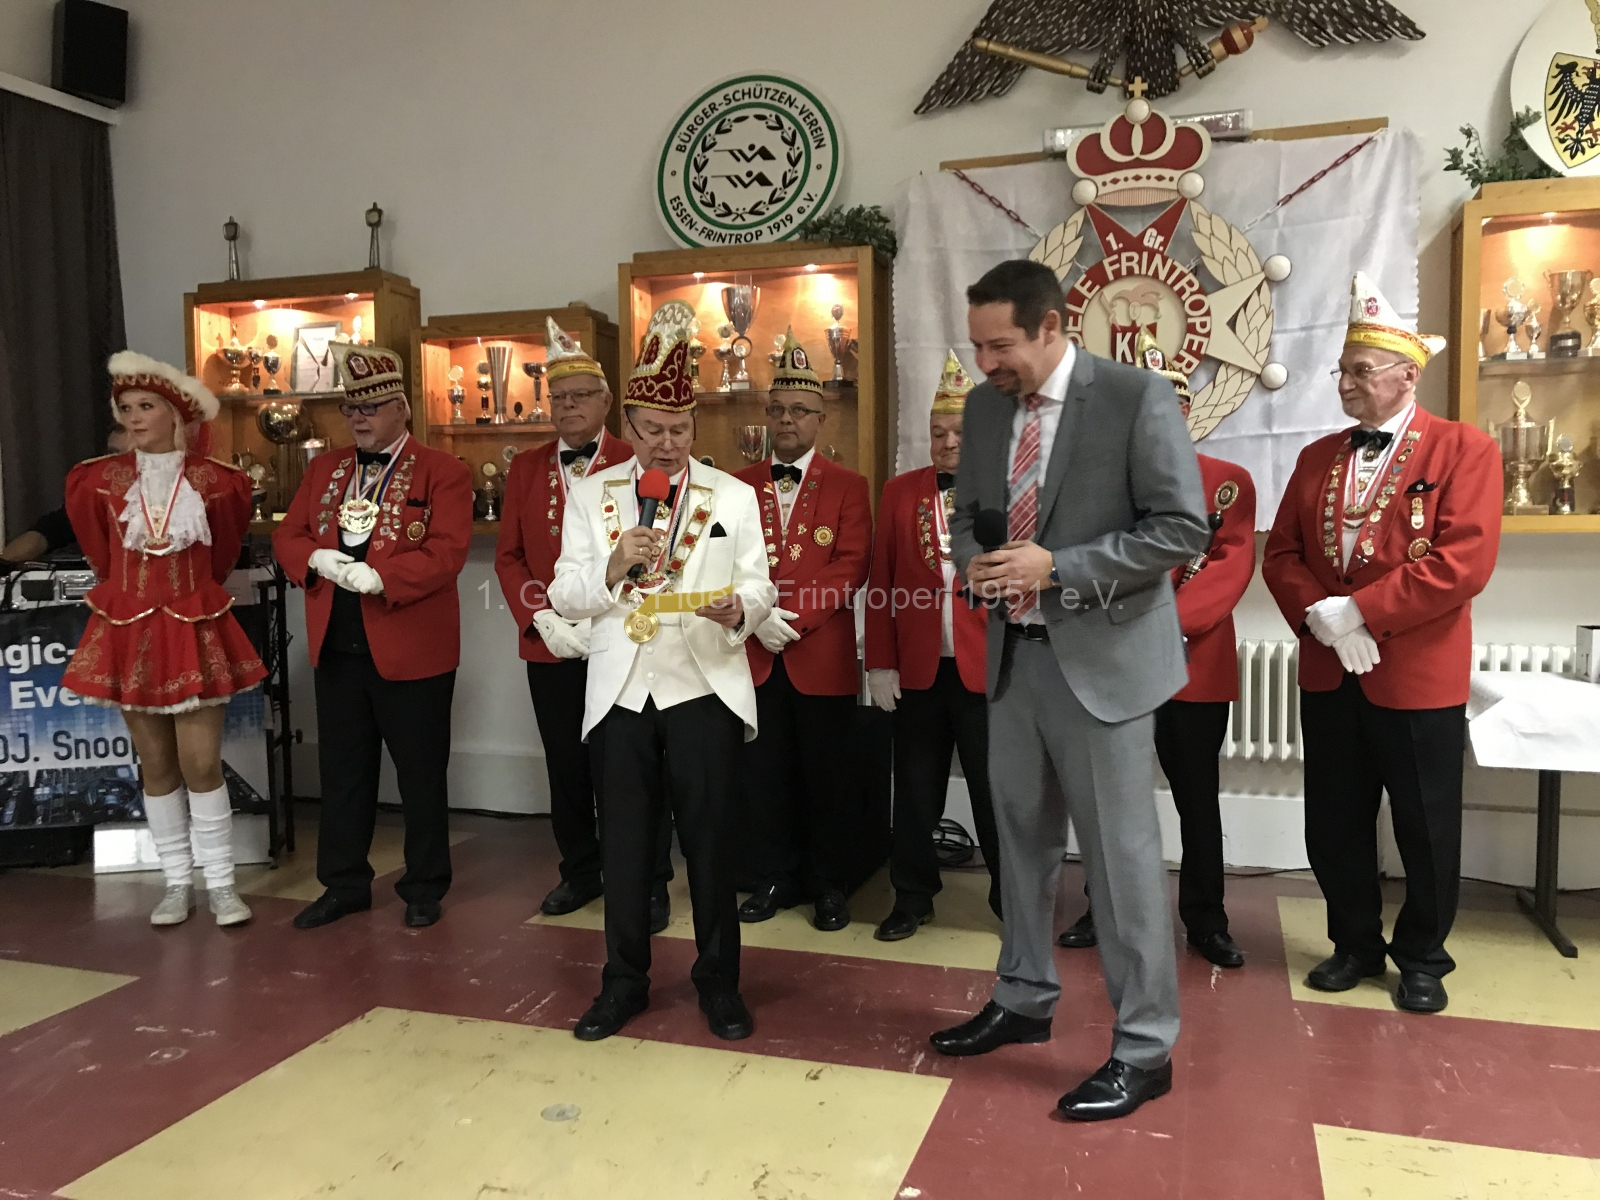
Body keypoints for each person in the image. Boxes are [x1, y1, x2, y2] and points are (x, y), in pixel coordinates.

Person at [933, 259, 1209, 1123]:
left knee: (1121, 865)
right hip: (1013, 662)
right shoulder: (987, 409)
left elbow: (1180, 529)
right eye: (977, 346)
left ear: (1052, 326)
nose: (986, 364)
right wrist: (973, 565)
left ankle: (1145, 1048)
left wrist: (1059, 568)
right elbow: (965, 516)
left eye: (1001, 346)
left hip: (1105, 666)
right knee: (1018, 845)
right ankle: (1023, 997)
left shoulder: (1134, 397)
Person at [1263, 273, 1501, 1015]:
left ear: (1407, 375)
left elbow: (1463, 563)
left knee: (1425, 825)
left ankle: (1423, 957)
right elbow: (1282, 555)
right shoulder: (1315, 457)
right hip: (1330, 670)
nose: (1345, 384)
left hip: (1417, 675)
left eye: (1360, 371)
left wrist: (1361, 613)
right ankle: (1355, 944)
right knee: (1334, 820)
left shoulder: (1465, 449)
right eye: (1341, 371)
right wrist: (1323, 620)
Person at [550, 300, 775, 1043]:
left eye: (680, 430)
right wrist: (614, 566)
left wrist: (741, 608)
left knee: (711, 845)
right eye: (653, 431)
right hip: (620, 691)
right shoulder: (592, 495)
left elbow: (760, 584)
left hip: (703, 684)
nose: (668, 444)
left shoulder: (733, 495)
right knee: (624, 846)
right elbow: (565, 594)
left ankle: (719, 983)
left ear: (694, 425)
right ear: (631, 425)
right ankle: (623, 983)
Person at [1057, 331, 1256, 969]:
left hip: (1193, 667)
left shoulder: (1228, 484)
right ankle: (1104, 907)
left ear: (1187, 413)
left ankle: (1206, 920)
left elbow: (1229, 571)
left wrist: (1156, 627)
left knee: (1197, 798)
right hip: (1113, 667)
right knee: (1108, 799)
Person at [62, 352, 267, 927]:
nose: (133, 417)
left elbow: (224, 552)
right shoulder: (96, 480)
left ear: (175, 414)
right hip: (130, 629)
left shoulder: (219, 483)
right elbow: (100, 553)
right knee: (155, 764)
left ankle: (221, 884)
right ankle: (177, 883)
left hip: (193, 625)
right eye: (125, 408)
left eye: (146, 406)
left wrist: (186, 593)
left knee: (201, 763)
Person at [273, 343, 473, 930]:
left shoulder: (444, 470)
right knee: (343, 775)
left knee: (420, 776)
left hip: (412, 648)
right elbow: (289, 534)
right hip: (337, 645)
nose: (358, 418)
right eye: (351, 408)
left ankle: (424, 886)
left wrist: (384, 576)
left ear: (402, 408)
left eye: (372, 407)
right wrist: (315, 559)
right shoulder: (324, 468)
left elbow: (447, 552)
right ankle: (343, 884)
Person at [494, 318, 672, 934]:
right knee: (566, 768)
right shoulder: (525, 468)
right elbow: (510, 556)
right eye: (558, 397)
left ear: (606, 402)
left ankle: (651, 881)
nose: (568, 406)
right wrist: (539, 616)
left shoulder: (637, 460)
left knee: (636, 768)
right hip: (553, 646)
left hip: (625, 640)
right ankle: (580, 870)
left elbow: (661, 550)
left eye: (581, 396)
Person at [733, 329, 871, 932]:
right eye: (778, 409)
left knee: (827, 779)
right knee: (762, 776)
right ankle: (772, 877)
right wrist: (757, 618)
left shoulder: (849, 485)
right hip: (753, 655)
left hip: (821, 655)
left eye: (799, 410)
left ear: (820, 418)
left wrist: (792, 618)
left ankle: (829, 885)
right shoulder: (735, 484)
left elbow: (851, 564)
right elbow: (722, 561)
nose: (787, 420)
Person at [865, 350, 1001, 941]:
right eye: (938, 432)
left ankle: (1012, 900)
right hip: (919, 672)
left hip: (987, 670)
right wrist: (880, 663)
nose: (948, 443)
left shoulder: (1008, 489)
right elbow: (882, 581)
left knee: (997, 794)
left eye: (960, 433)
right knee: (916, 793)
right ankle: (912, 897)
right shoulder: (900, 492)